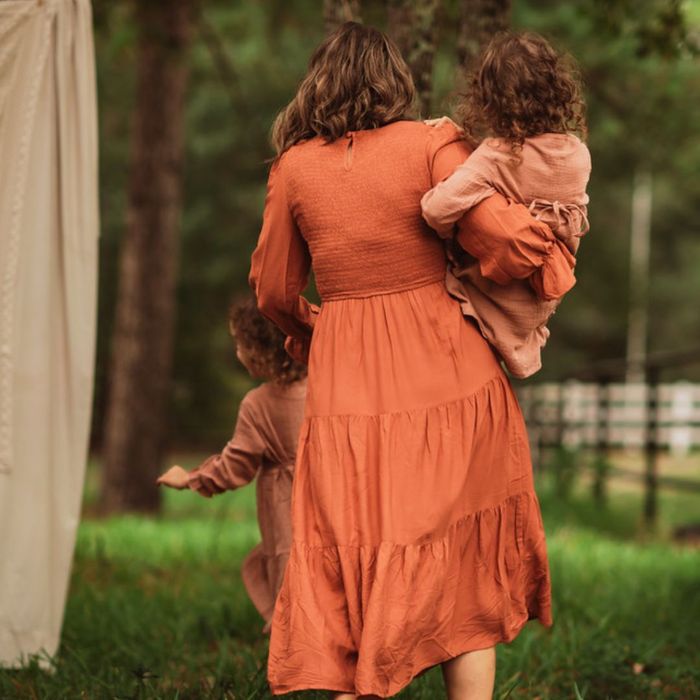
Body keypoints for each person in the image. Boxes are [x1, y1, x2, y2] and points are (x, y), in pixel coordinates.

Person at [249, 22, 563, 700]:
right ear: (395, 81)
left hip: (348, 389)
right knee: (465, 563)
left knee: (351, 555)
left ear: (317, 84)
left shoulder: (294, 169)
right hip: (453, 377)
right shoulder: (434, 145)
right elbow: (503, 239)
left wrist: (312, 328)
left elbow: (273, 291)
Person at [421, 32, 591, 379]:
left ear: (490, 100)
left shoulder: (496, 157)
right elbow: (530, 168)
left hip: (491, 304)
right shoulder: (578, 154)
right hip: (539, 305)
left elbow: (436, 210)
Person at [157, 297, 307, 634]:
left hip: (289, 513)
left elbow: (236, 464)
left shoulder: (258, 405)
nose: (237, 353)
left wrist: (191, 478)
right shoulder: (325, 387)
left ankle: (298, 664)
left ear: (259, 351)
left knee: (291, 578)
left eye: (239, 344)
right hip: (331, 506)